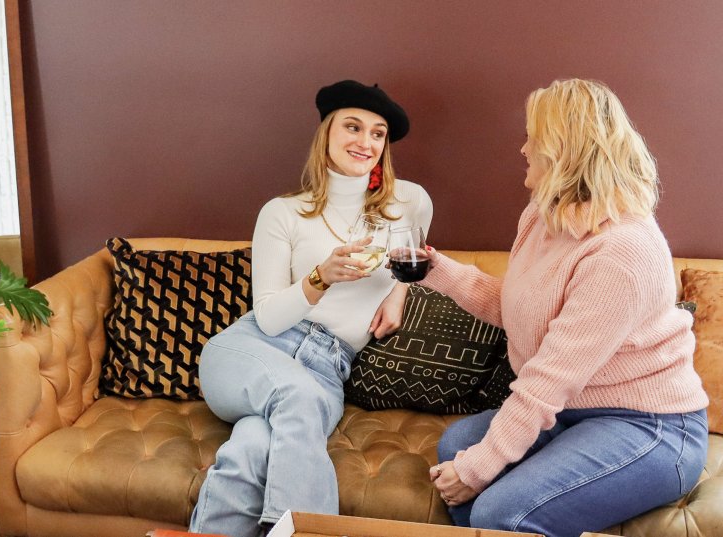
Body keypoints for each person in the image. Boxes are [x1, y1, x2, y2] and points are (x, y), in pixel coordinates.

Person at [424, 79, 708, 537]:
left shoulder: (621, 250)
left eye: (533, 140)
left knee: (500, 512)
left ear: (563, 151)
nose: (522, 149)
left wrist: (477, 470)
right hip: (576, 411)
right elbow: (519, 311)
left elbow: (548, 380)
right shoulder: (542, 216)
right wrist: (433, 269)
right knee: (456, 444)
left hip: (651, 427)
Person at [190, 79, 433, 537]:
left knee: (250, 450)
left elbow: (417, 254)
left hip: (328, 367)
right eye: (353, 127)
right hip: (252, 350)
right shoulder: (282, 213)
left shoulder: (411, 202)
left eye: (378, 133)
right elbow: (268, 316)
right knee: (295, 399)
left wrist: (400, 292)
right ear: (327, 133)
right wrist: (321, 278)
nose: (366, 142)